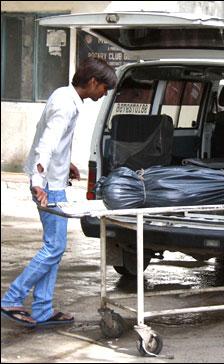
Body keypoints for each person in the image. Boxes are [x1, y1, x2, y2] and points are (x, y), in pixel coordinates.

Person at [1, 57, 117, 327]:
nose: (105, 94)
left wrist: (67, 166)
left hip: (53, 179)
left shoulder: (63, 95)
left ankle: (42, 309)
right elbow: (46, 143)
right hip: (48, 187)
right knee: (55, 247)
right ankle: (11, 298)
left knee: (54, 247)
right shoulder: (66, 106)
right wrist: (38, 183)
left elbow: (54, 143)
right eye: (104, 88)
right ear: (92, 82)